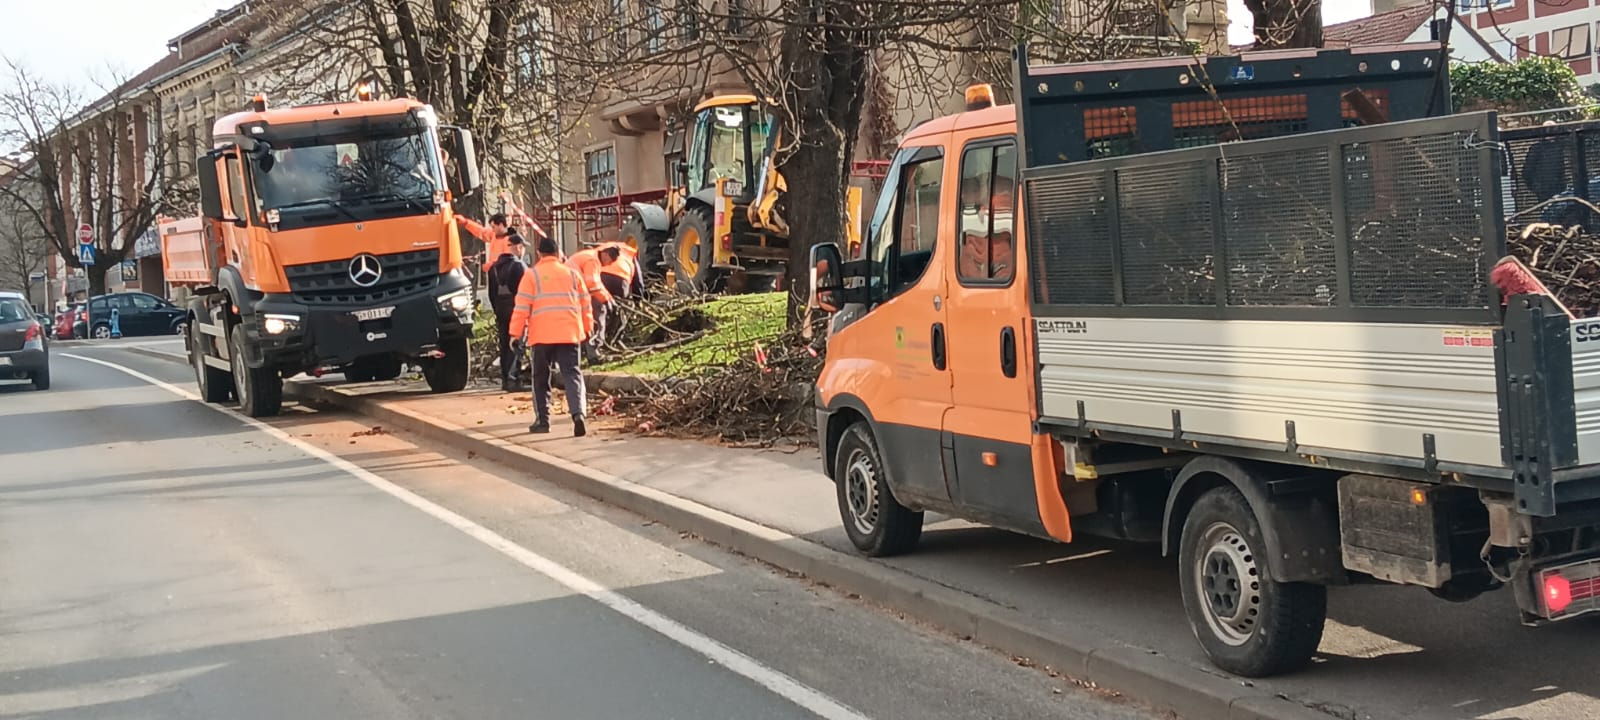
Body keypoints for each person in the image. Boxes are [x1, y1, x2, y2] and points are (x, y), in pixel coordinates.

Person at [510, 236, 595, 437]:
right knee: (572, 374)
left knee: (540, 378)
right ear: (558, 253)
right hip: (570, 333)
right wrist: (588, 327)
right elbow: (586, 304)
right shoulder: (573, 275)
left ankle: (543, 421)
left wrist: (515, 334)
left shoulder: (532, 276)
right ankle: (578, 415)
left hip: (542, 336)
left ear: (539, 253)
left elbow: (522, 307)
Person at [486, 232, 529, 391]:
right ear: (518, 247)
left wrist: (497, 309)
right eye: (523, 247)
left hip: (500, 309)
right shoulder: (519, 266)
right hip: (516, 309)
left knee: (504, 344)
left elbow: (491, 294)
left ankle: (505, 379)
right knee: (516, 343)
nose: (523, 250)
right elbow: (525, 292)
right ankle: (513, 379)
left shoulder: (493, 268)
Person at [566, 244, 622, 363]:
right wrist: (606, 301)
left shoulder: (589, 256)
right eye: (611, 261)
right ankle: (594, 351)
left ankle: (585, 350)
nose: (610, 264)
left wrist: (609, 298)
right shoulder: (593, 261)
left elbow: (598, 284)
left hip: (571, 291)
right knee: (598, 312)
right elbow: (592, 284)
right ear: (605, 254)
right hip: (575, 291)